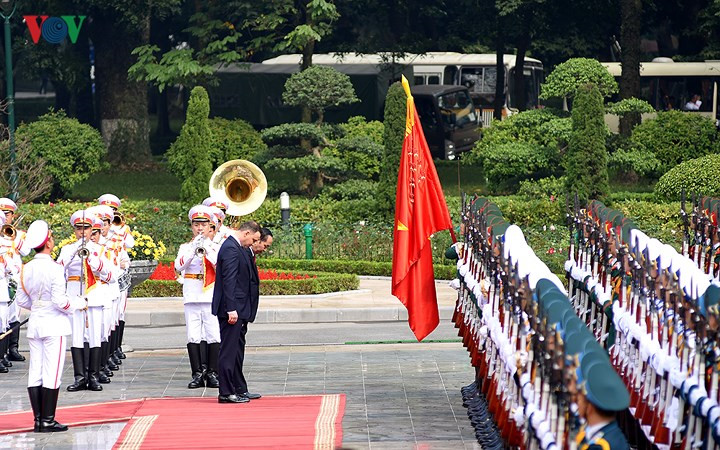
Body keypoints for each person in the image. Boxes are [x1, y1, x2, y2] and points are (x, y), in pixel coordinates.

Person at [14, 220, 88, 432]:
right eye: (52, 237)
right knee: (52, 372)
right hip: (54, 325)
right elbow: (61, 302)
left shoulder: (26, 268)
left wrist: (38, 306)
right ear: (47, 243)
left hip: (36, 323)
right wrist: (79, 303)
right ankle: (47, 419)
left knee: (35, 370)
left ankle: (38, 419)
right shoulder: (55, 268)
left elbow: (21, 300)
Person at [57, 210, 115, 392]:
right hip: (75, 297)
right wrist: (74, 252)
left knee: (94, 337)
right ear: (74, 230)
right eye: (79, 228)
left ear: (92, 230)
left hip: (95, 297)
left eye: (86, 228)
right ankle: (79, 377)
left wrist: (91, 258)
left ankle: (93, 376)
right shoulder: (67, 249)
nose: (82, 232)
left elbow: (111, 275)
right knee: (77, 337)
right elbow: (58, 270)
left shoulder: (101, 250)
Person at [212, 220, 260, 404]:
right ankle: (226, 392)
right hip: (232, 310)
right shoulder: (231, 248)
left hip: (239, 308)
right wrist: (231, 308)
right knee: (228, 351)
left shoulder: (236, 246)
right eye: (253, 239)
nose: (253, 244)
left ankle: (239, 388)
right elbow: (229, 280)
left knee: (237, 350)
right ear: (246, 233)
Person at [175, 206, 221, 389]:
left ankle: (213, 373)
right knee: (193, 336)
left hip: (210, 295)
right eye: (196, 224)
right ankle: (197, 373)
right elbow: (178, 266)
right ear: (192, 226)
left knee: (213, 335)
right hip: (192, 295)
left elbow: (220, 266)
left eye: (203, 224)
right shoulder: (185, 247)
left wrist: (206, 249)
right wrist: (193, 249)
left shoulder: (215, 247)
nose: (199, 228)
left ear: (210, 225)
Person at [575, 362, 630, 449]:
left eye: (579, 399)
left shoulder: (602, 446)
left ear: (590, 407)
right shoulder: (609, 433)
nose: (577, 403)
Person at [0, 198, 28, 364]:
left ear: (12, 215)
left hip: (14, 279)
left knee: (13, 313)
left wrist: (13, 238)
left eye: (7, 214)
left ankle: (13, 348)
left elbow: (25, 250)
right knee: (2, 317)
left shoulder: (18, 235)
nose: (4, 217)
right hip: (3, 278)